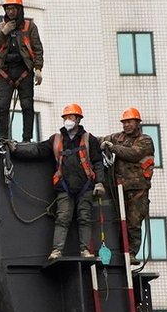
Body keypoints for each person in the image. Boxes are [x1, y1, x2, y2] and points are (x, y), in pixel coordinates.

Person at [10, 103, 105, 260]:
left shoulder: (89, 139)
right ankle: (57, 250)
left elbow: (98, 162)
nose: (68, 120)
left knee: (85, 218)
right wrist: (16, 149)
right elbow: (37, 150)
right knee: (62, 218)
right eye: (65, 117)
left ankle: (85, 250)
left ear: (78, 119)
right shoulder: (56, 139)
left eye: (71, 117)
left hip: (85, 186)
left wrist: (100, 182)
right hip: (64, 186)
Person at [99, 107, 155, 265]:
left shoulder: (145, 140)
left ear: (137, 123)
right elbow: (100, 140)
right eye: (124, 122)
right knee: (118, 220)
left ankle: (131, 253)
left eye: (129, 122)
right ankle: (119, 250)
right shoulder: (119, 137)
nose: (126, 125)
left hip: (138, 189)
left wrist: (112, 147)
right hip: (119, 188)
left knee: (133, 222)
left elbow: (133, 154)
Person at [0, 0, 44, 143]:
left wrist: (38, 68)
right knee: (2, 107)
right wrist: (4, 32)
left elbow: (37, 48)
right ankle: (3, 139)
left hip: (24, 71)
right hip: (5, 72)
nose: (10, 12)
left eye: (13, 8)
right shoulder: (0, 27)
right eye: (8, 9)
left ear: (19, 10)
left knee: (27, 106)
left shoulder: (29, 27)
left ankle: (27, 139)